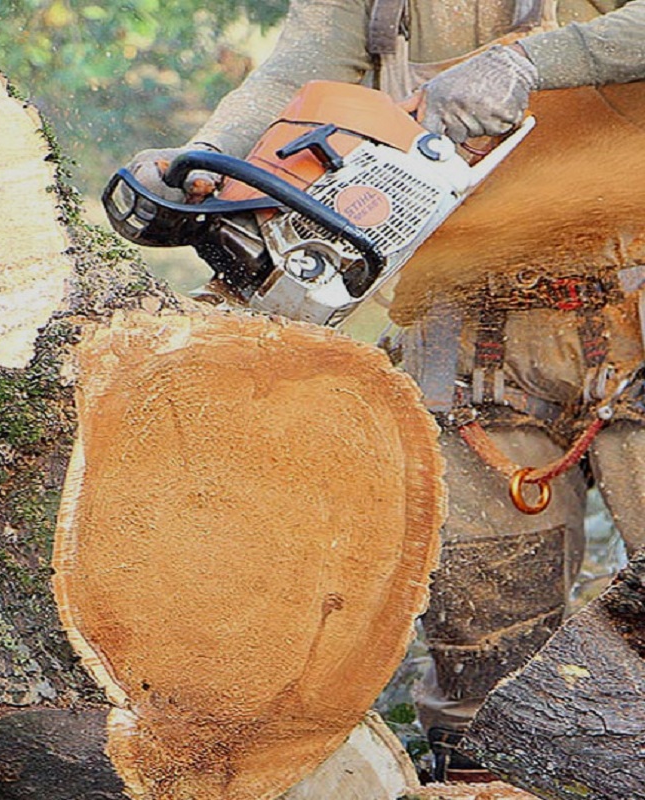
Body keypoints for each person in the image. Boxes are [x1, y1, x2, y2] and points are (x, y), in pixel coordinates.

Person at [120, 0, 645, 784]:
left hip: (632, 300)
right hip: (468, 325)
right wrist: (203, 157)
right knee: (484, 636)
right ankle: (485, 778)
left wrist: (535, 60)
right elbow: (303, 68)